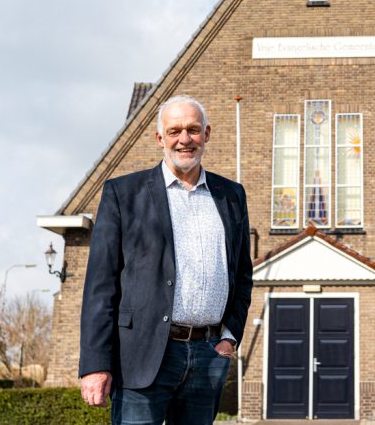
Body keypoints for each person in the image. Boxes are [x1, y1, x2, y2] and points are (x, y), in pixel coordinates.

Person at [79, 95, 253, 425]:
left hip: (208, 355)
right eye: (175, 131)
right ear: (160, 138)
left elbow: (242, 274)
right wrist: (95, 364)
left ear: (206, 134)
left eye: (193, 130)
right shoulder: (123, 194)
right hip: (141, 355)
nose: (185, 139)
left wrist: (230, 337)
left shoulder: (231, 196)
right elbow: (100, 287)